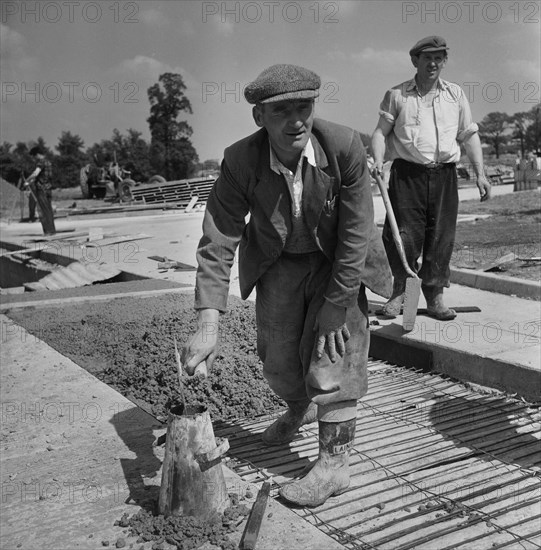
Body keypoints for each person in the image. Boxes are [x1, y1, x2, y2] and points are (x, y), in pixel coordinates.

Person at [182, 64, 391, 507]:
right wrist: (207, 322)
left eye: (304, 107)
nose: (296, 120)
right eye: (282, 111)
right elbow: (218, 237)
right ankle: (298, 407)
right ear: (260, 117)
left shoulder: (345, 147)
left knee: (334, 355)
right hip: (279, 264)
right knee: (277, 362)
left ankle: (335, 464)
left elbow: (356, 233)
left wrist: (337, 304)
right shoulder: (240, 161)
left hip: (338, 262)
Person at [371, 36, 491, 320]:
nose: (433, 63)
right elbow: (379, 133)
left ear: (444, 61)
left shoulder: (455, 95)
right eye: (427, 58)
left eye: (439, 58)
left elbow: (469, 135)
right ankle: (402, 294)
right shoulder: (397, 95)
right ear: (415, 61)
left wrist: (481, 174)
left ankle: (434, 297)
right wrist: (377, 159)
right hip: (407, 177)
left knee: (440, 238)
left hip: (445, 176)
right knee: (404, 237)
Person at [25, 145, 56, 235]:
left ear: (37, 155)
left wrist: (27, 180)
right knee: (48, 210)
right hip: (49, 188)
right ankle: (52, 230)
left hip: (41, 189)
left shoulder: (41, 162)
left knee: (43, 210)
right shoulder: (49, 162)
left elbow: (35, 174)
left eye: (34, 156)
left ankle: (48, 231)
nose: (34, 159)